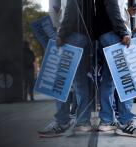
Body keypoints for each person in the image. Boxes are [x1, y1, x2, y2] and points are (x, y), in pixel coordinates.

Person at [38, 0, 95, 137]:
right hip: (85, 36)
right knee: (80, 81)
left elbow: (71, 9)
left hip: (72, 36)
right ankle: (83, 121)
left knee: (61, 80)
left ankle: (62, 120)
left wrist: (61, 34)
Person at [95, 0, 136, 138]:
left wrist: (128, 15)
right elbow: (112, 9)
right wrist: (122, 32)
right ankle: (126, 122)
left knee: (109, 79)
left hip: (108, 34)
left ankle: (107, 121)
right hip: (114, 35)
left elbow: (113, 10)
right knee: (127, 77)